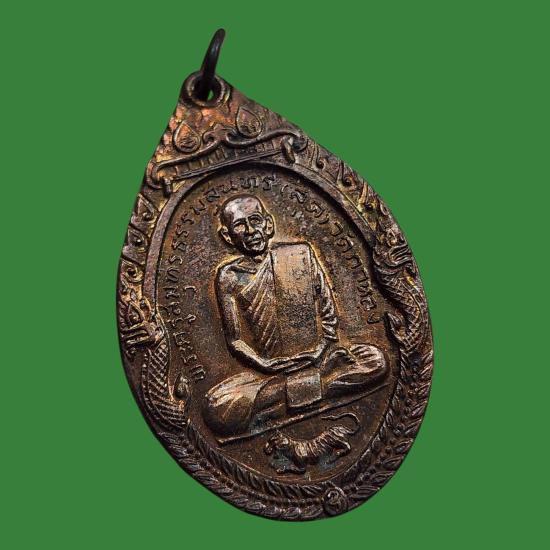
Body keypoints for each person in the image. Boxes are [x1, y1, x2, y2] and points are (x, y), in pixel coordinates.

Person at [203, 194, 387, 437]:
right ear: (228, 236)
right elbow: (235, 340)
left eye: (255, 220)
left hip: (319, 358)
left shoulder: (299, 254)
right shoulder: (228, 276)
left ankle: (288, 398)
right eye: (239, 225)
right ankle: (320, 386)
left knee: (376, 361)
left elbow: (328, 311)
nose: (250, 231)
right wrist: (264, 364)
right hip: (269, 373)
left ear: (268, 224)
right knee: (217, 408)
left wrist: (322, 348)